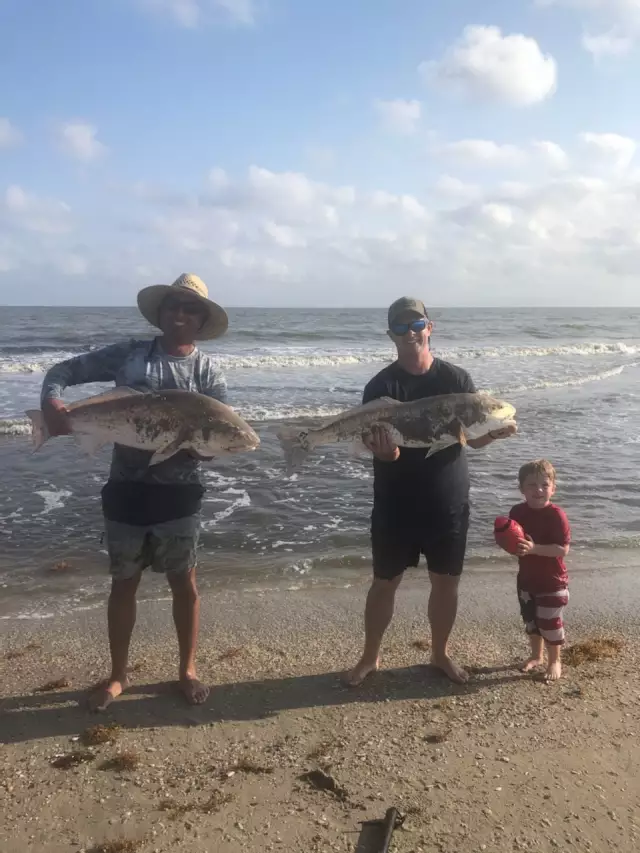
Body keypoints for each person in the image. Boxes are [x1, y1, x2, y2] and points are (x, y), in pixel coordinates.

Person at [40, 273, 229, 711]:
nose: (180, 315)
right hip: (125, 490)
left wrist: (204, 450)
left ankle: (187, 670)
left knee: (185, 584)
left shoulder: (208, 373)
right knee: (123, 584)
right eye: (173, 306)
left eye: (190, 309)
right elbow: (63, 371)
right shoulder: (129, 356)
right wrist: (52, 402)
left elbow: (219, 440)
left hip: (180, 497)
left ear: (201, 320)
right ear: (161, 313)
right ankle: (118, 675)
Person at [345, 297, 516, 686]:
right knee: (384, 582)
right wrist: (386, 454)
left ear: (429, 327)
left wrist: (493, 432)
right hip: (395, 503)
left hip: (447, 502)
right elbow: (379, 450)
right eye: (402, 328)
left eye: (417, 325)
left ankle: (440, 654)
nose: (411, 334)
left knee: (446, 582)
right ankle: (370, 657)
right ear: (391, 334)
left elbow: (470, 441)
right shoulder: (380, 385)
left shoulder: (456, 380)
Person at [509, 459, 571, 682]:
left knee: (550, 623)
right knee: (531, 621)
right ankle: (536, 655)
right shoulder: (516, 511)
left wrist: (534, 548)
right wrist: (508, 543)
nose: (539, 490)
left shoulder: (556, 515)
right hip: (526, 580)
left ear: (553, 488)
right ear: (522, 489)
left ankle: (555, 659)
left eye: (545, 485)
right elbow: (513, 542)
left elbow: (562, 549)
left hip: (552, 581)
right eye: (532, 485)